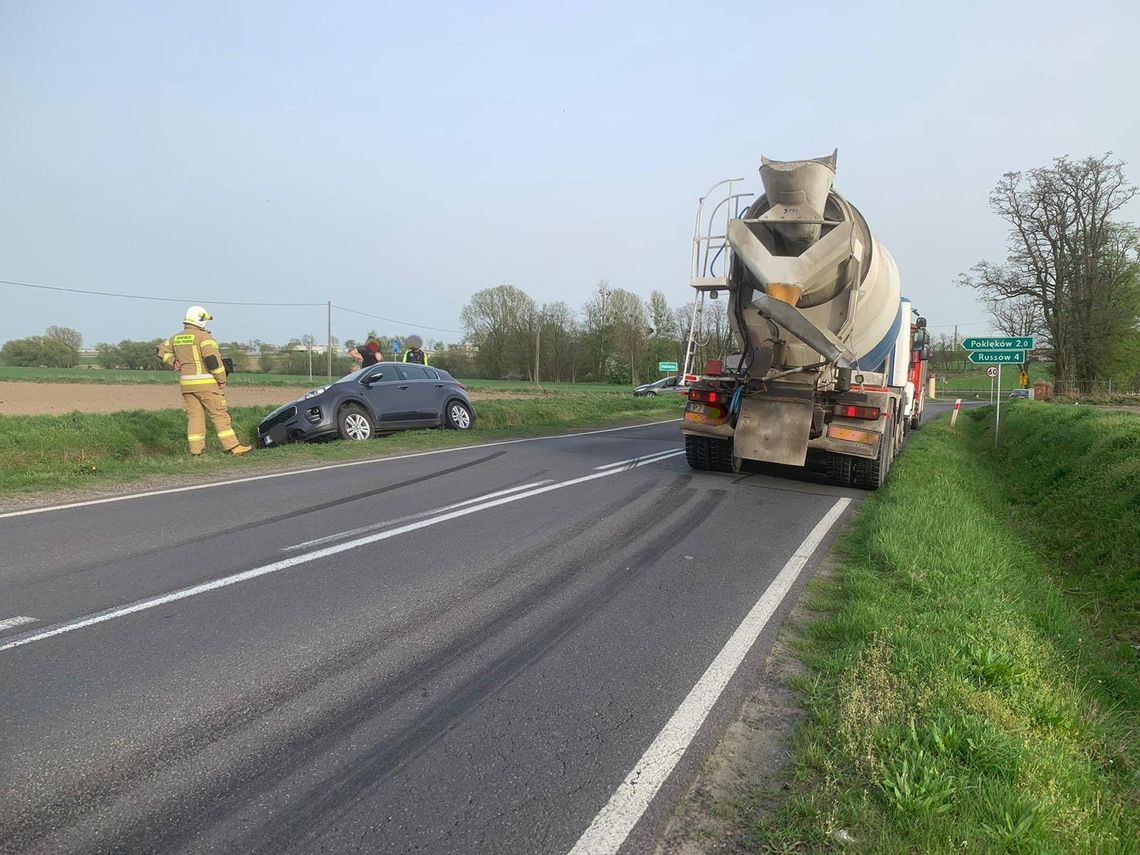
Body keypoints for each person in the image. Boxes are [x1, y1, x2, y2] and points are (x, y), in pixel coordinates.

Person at [157, 306, 252, 456]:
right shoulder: (204, 338)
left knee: (194, 418)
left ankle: (196, 452)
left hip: (187, 385)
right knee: (220, 415)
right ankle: (233, 447)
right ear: (200, 320)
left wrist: (173, 361)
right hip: (206, 384)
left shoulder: (176, 338)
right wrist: (222, 380)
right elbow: (212, 361)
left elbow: (160, 350)